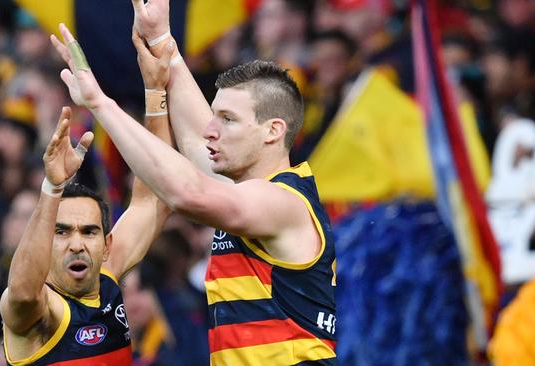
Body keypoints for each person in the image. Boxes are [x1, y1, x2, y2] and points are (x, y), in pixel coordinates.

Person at [50, 0, 337, 361]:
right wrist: (162, 39)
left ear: (272, 131)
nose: (212, 131)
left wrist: (100, 104)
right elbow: (193, 142)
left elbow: (186, 192)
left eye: (228, 120)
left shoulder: (283, 202)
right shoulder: (245, 191)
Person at [0, 40, 174, 363]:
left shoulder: (106, 277)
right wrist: (52, 187)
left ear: (107, 245)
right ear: (44, 243)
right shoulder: (42, 311)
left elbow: (154, 198)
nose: (77, 244)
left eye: (89, 232)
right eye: (62, 232)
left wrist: (155, 91)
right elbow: (23, 293)